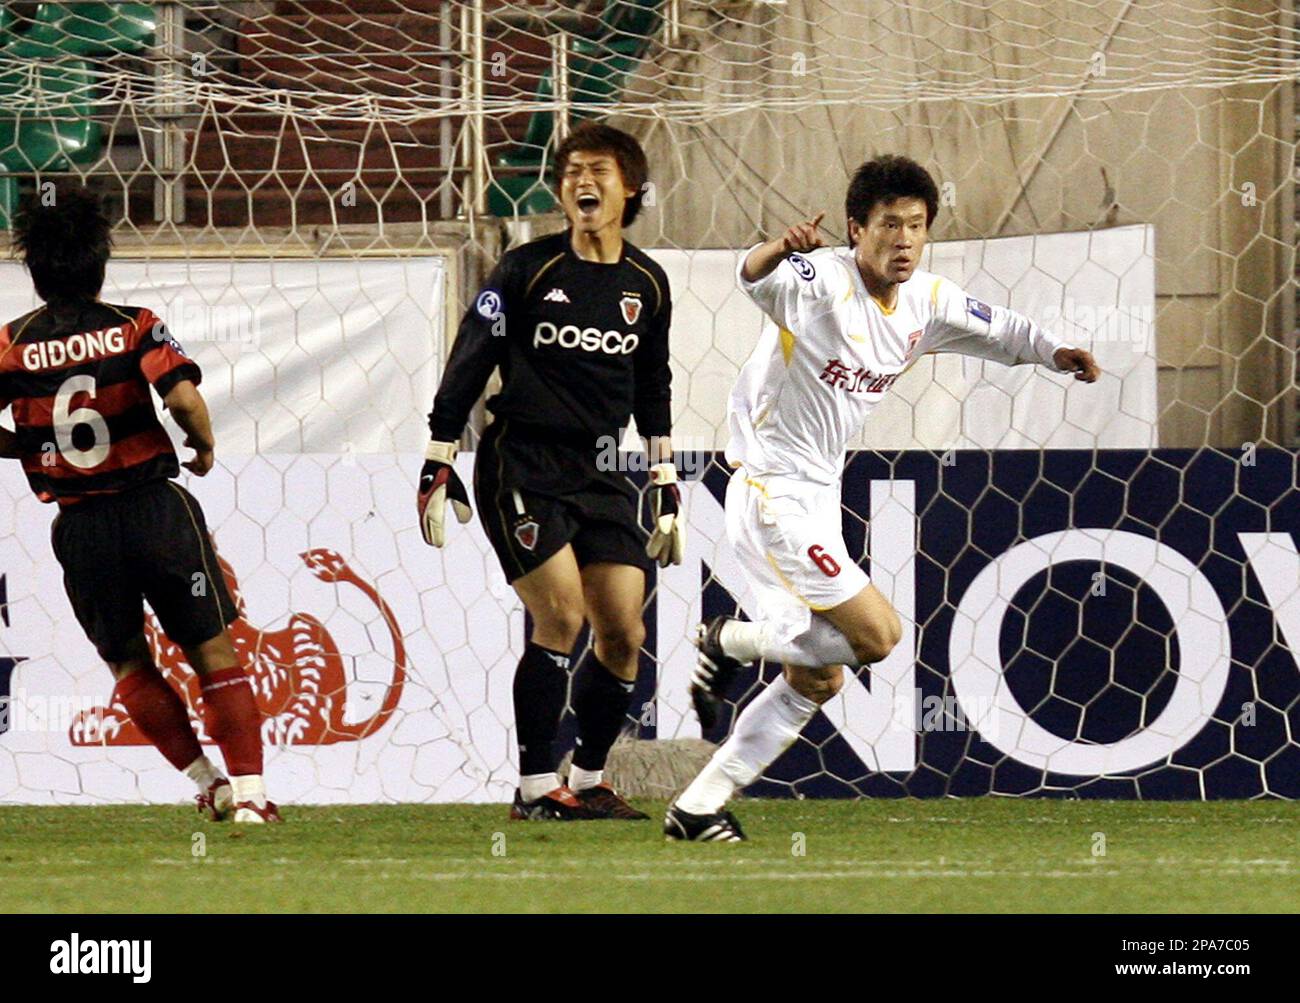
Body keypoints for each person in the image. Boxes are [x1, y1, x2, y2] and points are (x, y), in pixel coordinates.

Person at [667, 155, 1100, 841]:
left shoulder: (925, 300)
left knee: (818, 680)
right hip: (771, 488)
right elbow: (753, 278)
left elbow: (1000, 329)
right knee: (879, 637)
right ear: (854, 229)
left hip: (815, 494)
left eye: (917, 225)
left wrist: (1054, 353)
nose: (904, 238)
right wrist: (781, 246)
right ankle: (731, 639)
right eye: (889, 224)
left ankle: (696, 808)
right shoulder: (821, 281)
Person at [419, 122, 684, 820]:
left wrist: (663, 478)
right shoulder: (525, 269)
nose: (581, 181)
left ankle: (590, 778)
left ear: (630, 188)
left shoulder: (647, 284)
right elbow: (470, 356)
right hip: (521, 462)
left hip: (601, 470)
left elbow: (652, 382)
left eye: (597, 170)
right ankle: (536, 787)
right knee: (560, 613)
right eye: (569, 171)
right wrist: (439, 454)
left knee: (624, 631)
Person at [0, 186, 278, 823]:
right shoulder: (134, 324)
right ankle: (253, 799)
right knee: (211, 647)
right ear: (100, 266)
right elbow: (181, 399)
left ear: (37, 275)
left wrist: (26, 446)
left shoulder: (11, 344)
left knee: (127, 659)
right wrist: (202, 447)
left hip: (81, 526)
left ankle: (208, 783)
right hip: (155, 510)